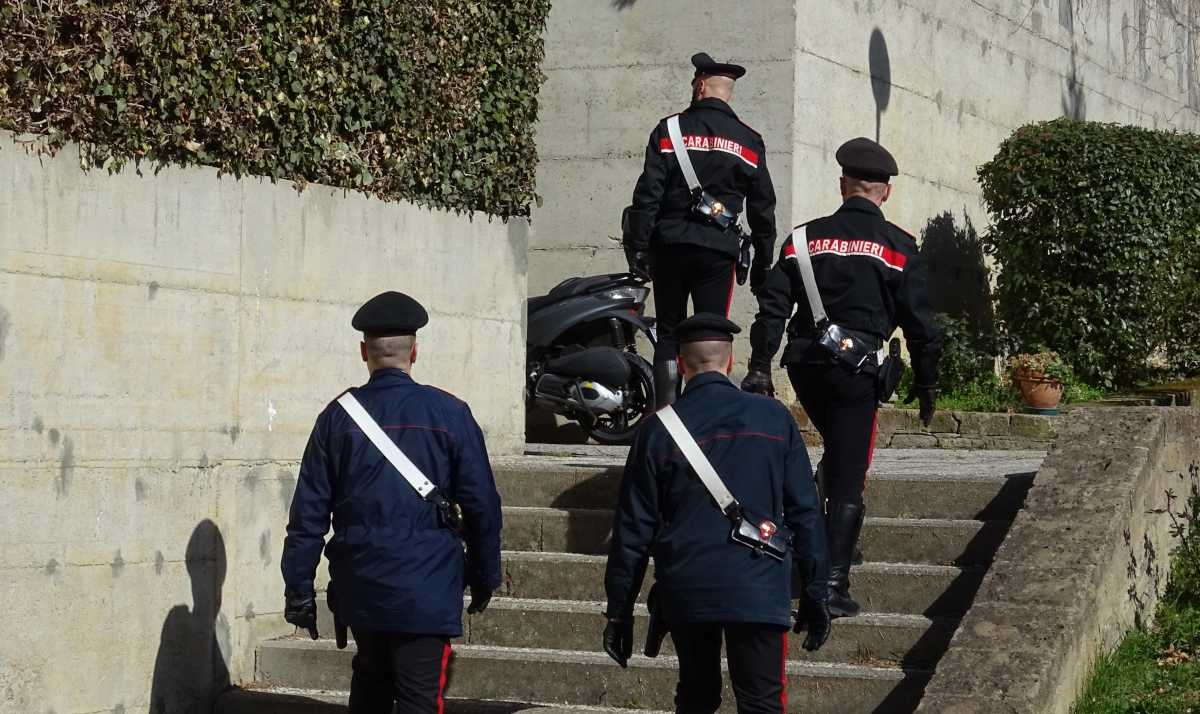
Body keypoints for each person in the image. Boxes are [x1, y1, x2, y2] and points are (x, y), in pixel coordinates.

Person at [742, 137, 942, 618]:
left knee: (838, 453)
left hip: (807, 366)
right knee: (850, 476)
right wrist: (927, 383)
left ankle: (815, 541)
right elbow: (921, 325)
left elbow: (772, 309)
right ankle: (828, 585)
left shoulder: (802, 240)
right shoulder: (897, 246)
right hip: (858, 374)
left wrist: (758, 366)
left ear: (842, 185)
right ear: (885, 193)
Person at [280, 291, 503, 714]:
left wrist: (299, 590)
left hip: (360, 586)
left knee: (370, 686)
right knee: (421, 697)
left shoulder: (336, 418)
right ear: (415, 351)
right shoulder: (451, 413)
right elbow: (482, 507)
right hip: (427, 587)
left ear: (364, 351)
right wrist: (485, 574)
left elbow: (307, 515)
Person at [602, 313, 831, 714]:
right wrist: (816, 590)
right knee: (761, 701)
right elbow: (806, 512)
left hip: (687, 584)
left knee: (696, 695)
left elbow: (633, 529)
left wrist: (620, 611)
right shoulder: (775, 418)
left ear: (681, 365)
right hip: (758, 580)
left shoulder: (657, 430)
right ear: (730, 361)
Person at [623, 52, 778, 408]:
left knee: (668, 332)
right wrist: (762, 262)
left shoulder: (670, 129)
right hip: (718, 251)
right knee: (713, 332)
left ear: (701, 85)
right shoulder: (749, 141)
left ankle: (664, 415)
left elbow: (648, 194)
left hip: (671, 245)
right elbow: (762, 208)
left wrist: (640, 248)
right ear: (729, 93)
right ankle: (708, 413)